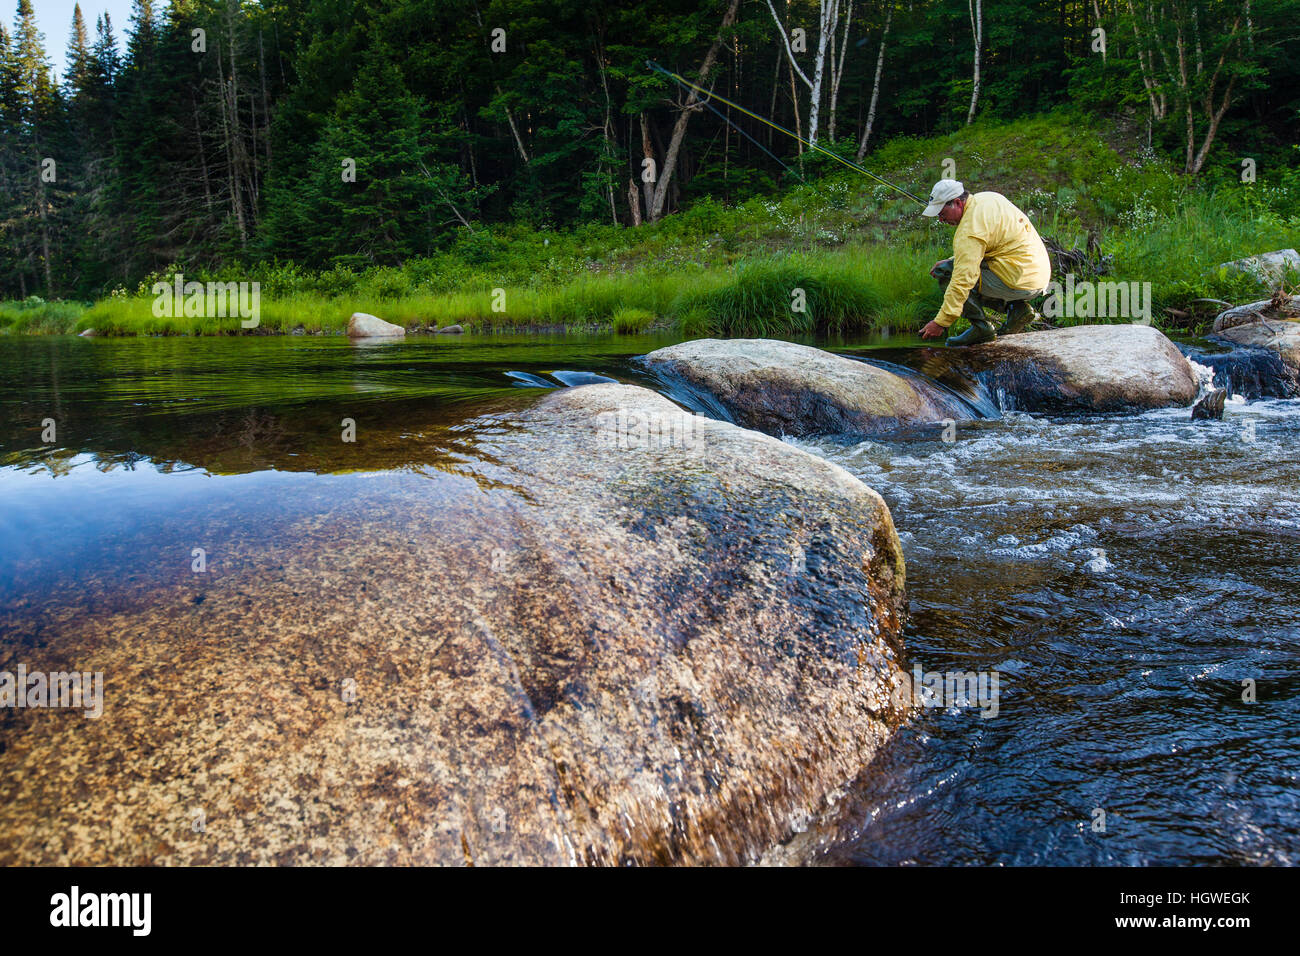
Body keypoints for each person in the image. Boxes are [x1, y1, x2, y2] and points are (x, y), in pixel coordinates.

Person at [917, 180, 1051, 346]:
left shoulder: (969, 230)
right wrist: (954, 259)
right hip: (1037, 276)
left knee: (946, 272)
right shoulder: (987, 198)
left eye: (942, 213)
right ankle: (1017, 309)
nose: (941, 219)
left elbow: (962, 281)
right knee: (953, 266)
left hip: (1018, 279)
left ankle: (981, 328)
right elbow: (990, 244)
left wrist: (941, 322)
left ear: (957, 203)